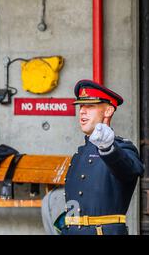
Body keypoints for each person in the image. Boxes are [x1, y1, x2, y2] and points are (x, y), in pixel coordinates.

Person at [58, 80, 145, 235]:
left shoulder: (121, 148)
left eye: (90, 106)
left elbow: (131, 170)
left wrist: (108, 148)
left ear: (108, 111)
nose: (82, 111)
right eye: (81, 106)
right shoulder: (80, 153)